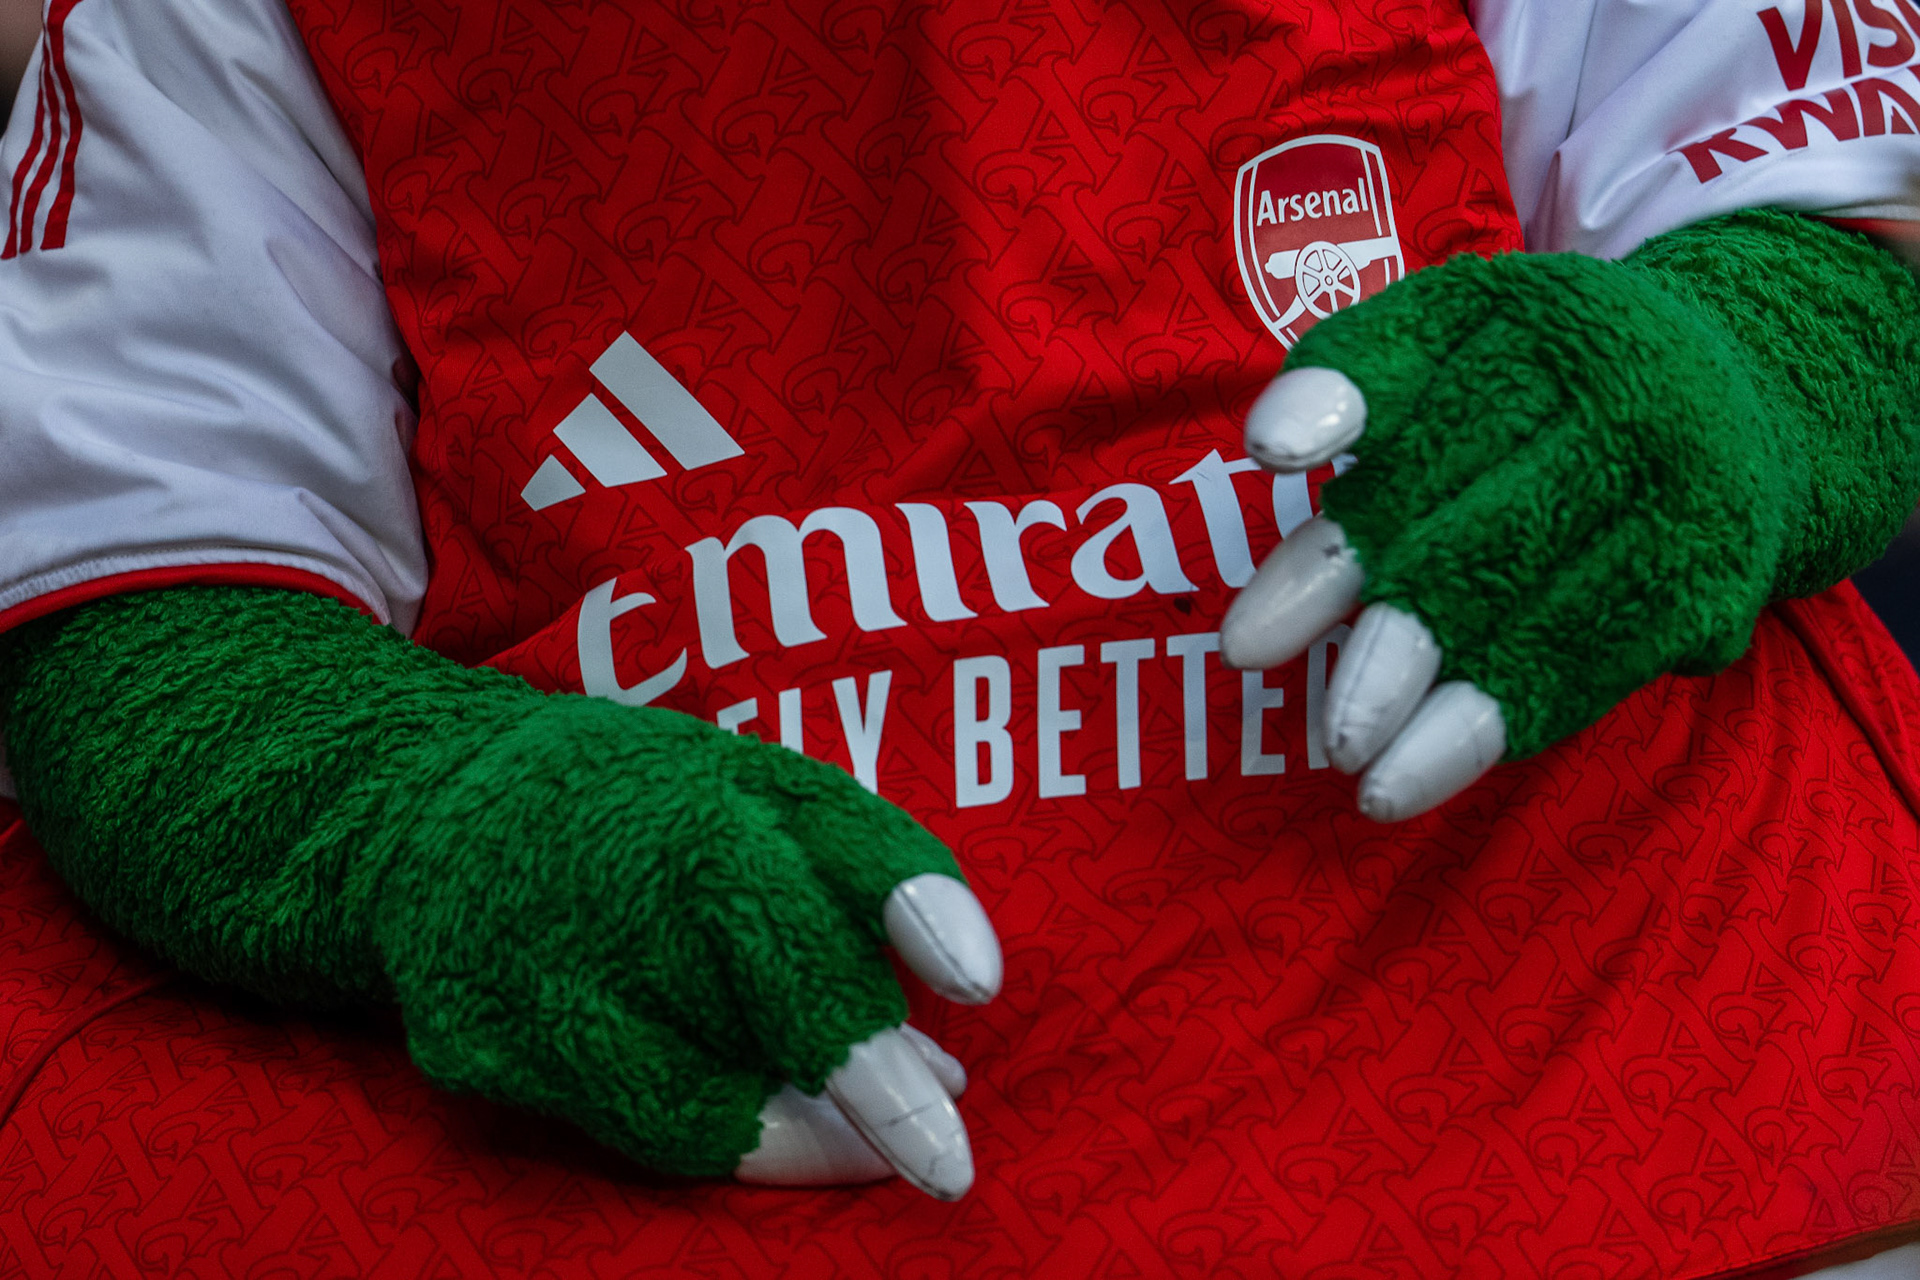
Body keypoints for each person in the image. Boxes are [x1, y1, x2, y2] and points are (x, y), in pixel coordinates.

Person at [0, 0, 1916, 1273]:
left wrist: (1716, 375)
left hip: (1598, 1062)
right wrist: (432, 816)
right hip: (700, 1115)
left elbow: (1831, 220)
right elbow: (147, 580)